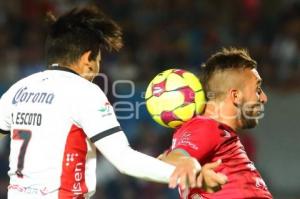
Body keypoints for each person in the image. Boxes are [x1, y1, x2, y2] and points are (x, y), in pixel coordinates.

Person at [0, 6, 224, 199]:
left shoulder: (18, 90)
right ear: (88, 59)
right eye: (98, 59)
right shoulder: (84, 92)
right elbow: (124, 160)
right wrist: (190, 175)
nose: (98, 68)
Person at [160, 47, 273, 198]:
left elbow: (166, 158)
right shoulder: (207, 126)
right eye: (258, 89)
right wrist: (187, 162)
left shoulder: (219, 134)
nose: (264, 98)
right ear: (236, 95)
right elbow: (175, 158)